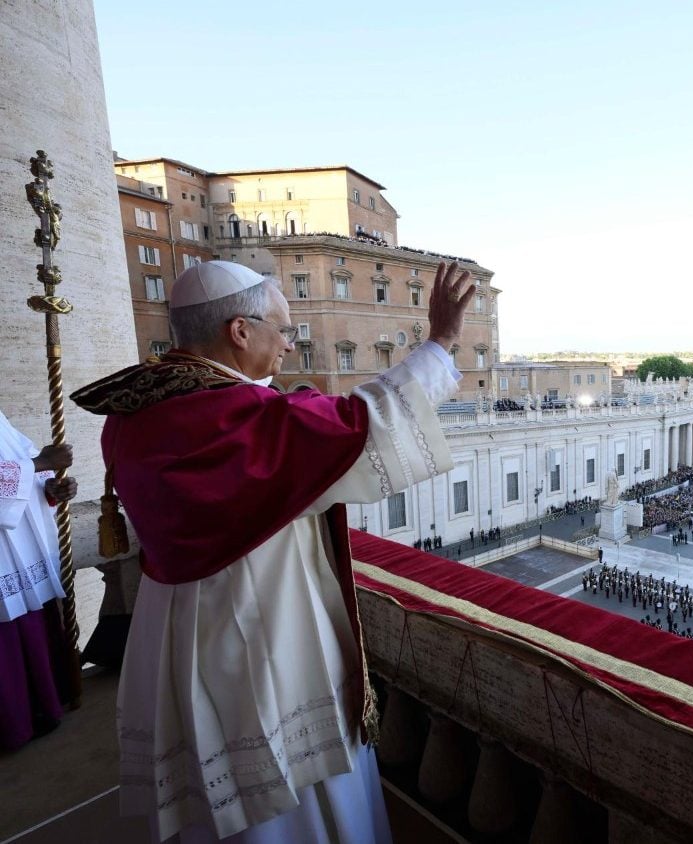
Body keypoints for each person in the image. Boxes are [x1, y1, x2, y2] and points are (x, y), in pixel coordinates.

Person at [71, 259, 475, 843]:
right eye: (283, 330)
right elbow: (360, 422)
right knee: (282, 783)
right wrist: (440, 340)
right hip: (257, 626)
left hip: (178, 623)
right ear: (240, 331)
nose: (290, 344)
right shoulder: (232, 417)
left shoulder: (141, 408)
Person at [0, 412, 77, 750]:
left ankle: (43, 708)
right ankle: (12, 724)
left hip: (17, 549)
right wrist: (42, 461)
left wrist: (50, 485)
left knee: (32, 623)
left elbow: (21, 463)